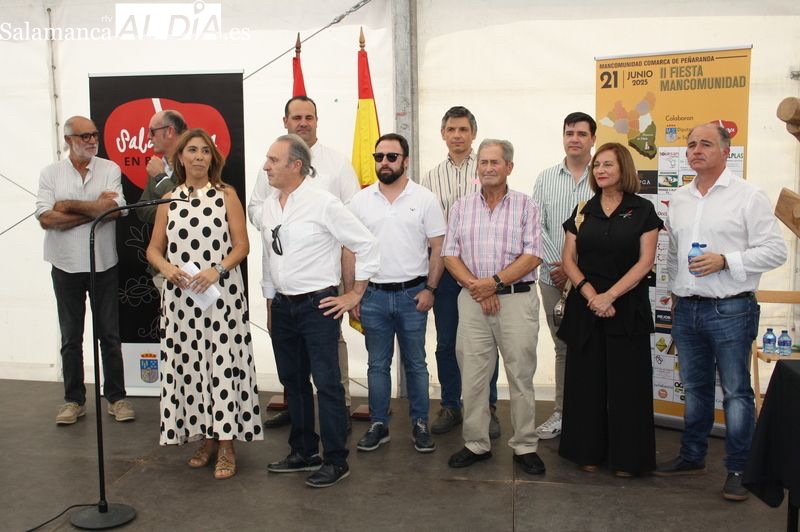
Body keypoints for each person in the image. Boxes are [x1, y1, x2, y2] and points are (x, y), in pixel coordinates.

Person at [656, 124, 787, 500]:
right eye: (691, 145)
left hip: (731, 308)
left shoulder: (748, 195)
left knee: (736, 393)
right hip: (687, 308)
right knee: (695, 388)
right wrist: (674, 294)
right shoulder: (680, 198)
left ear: (726, 151)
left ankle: (741, 469)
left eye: (706, 144)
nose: (696, 150)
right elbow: (673, 253)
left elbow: (775, 250)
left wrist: (726, 260)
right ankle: (692, 456)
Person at [261, 134, 379, 488]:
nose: (266, 166)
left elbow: (366, 243)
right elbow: (270, 257)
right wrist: (270, 303)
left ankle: (336, 460)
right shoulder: (269, 205)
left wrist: (354, 293)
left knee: (327, 384)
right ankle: (303, 452)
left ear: (296, 165)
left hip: (318, 306)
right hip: (283, 306)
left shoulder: (324, 203)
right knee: (293, 383)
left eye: (273, 160)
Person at [146, 128, 263, 480]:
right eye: (192, 150)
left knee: (222, 365)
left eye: (205, 151)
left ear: (213, 158)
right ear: (180, 157)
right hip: (182, 300)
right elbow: (153, 249)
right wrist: (167, 268)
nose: (199, 156)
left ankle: (227, 444)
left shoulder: (226, 195)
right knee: (194, 367)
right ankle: (207, 439)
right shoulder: (169, 199)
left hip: (221, 298)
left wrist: (217, 270)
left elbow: (242, 245)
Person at [248, 96, 360, 429]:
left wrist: (353, 288)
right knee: (290, 355)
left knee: (329, 354)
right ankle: (298, 414)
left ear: (317, 121)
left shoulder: (337, 164)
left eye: (309, 117)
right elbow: (255, 207)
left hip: (324, 276)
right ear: (285, 121)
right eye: (296, 117)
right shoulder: (271, 166)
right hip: (283, 274)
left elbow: (355, 215)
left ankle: (338, 407)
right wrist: (281, 222)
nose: (303, 123)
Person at [556, 142, 661, 476]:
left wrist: (610, 296)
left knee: (627, 386)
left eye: (608, 165)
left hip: (626, 308)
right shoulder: (582, 210)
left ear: (623, 168)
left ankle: (628, 459)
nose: (600, 170)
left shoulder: (643, 210)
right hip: (586, 307)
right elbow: (568, 260)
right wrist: (592, 295)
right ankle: (586, 451)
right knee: (585, 383)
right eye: (597, 165)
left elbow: (645, 262)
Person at [442, 139, 545, 476]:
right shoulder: (460, 207)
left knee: (520, 374)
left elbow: (533, 254)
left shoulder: (526, 205)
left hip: (516, 300)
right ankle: (476, 443)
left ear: (509, 167)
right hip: (473, 300)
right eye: (483, 162)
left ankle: (525, 445)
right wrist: (479, 286)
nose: (488, 168)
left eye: (495, 162)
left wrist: (494, 283)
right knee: (473, 376)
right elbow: (449, 254)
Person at [348, 133, 446, 453]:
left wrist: (430, 289)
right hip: (372, 296)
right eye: (379, 157)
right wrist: (352, 294)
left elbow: (439, 247)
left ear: (406, 160)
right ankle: (379, 424)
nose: (385, 162)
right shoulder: (360, 201)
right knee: (377, 365)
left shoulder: (425, 199)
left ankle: (420, 423)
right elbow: (348, 249)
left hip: (412, 296)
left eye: (392, 157)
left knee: (416, 363)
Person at [35, 115, 135, 425]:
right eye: (85, 136)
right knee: (70, 337)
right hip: (64, 264)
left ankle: (116, 398)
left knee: (110, 335)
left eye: (94, 135)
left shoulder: (110, 169)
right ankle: (73, 401)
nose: (92, 141)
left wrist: (66, 205)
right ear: (68, 140)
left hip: (103, 263)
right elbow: (46, 219)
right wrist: (93, 210)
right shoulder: (50, 173)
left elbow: (114, 210)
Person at [421, 106, 502, 439]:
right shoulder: (430, 178)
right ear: (443, 134)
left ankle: (487, 408)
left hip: (481, 271)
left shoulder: (487, 169)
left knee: (485, 343)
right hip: (445, 271)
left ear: (473, 134)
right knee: (446, 342)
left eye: (463, 129)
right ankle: (451, 405)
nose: (457, 135)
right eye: (451, 129)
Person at [531, 111, 596, 440]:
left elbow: (606, 231)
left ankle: (593, 414)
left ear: (593, 139)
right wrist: (558, 265)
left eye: (581, 134)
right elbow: (535, 225)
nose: (574, 139)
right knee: (562, 347)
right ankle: (562, 412)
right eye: (569, 133)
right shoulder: (545, 178)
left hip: (592, 282)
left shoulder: (603, 176)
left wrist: (573, 270)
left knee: (594, 346)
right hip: (551, 278)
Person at [137, 109, 188, 224]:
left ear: (170, 131)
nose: (148, 137)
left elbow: (188, 207)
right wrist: (169, 211)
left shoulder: (194, 162)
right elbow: (142, 208)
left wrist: (161, 177)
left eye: (152, 131)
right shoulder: (158, 164)